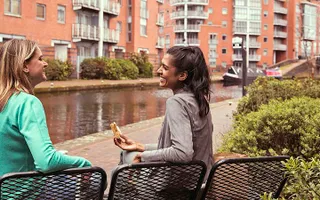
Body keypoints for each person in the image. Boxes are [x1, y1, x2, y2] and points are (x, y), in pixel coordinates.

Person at [114, 46, 213, 179]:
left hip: (175, 187)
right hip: (200, 180)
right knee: (130, 153)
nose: (158, 71)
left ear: (182, 75)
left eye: (165, 68)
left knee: (122, 161)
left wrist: (142, 156)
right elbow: (187, 146)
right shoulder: (200, 99)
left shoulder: (177, 102)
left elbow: (182, 153)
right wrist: (140, 146)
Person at [0, 39, 91, 177]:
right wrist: (83, 163)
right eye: (40, 59)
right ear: (25, 66)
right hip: (24, 193)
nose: (46, 63)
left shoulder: (5, 101)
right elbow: (47, 162)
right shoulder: (27, 103)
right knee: (95, 179)